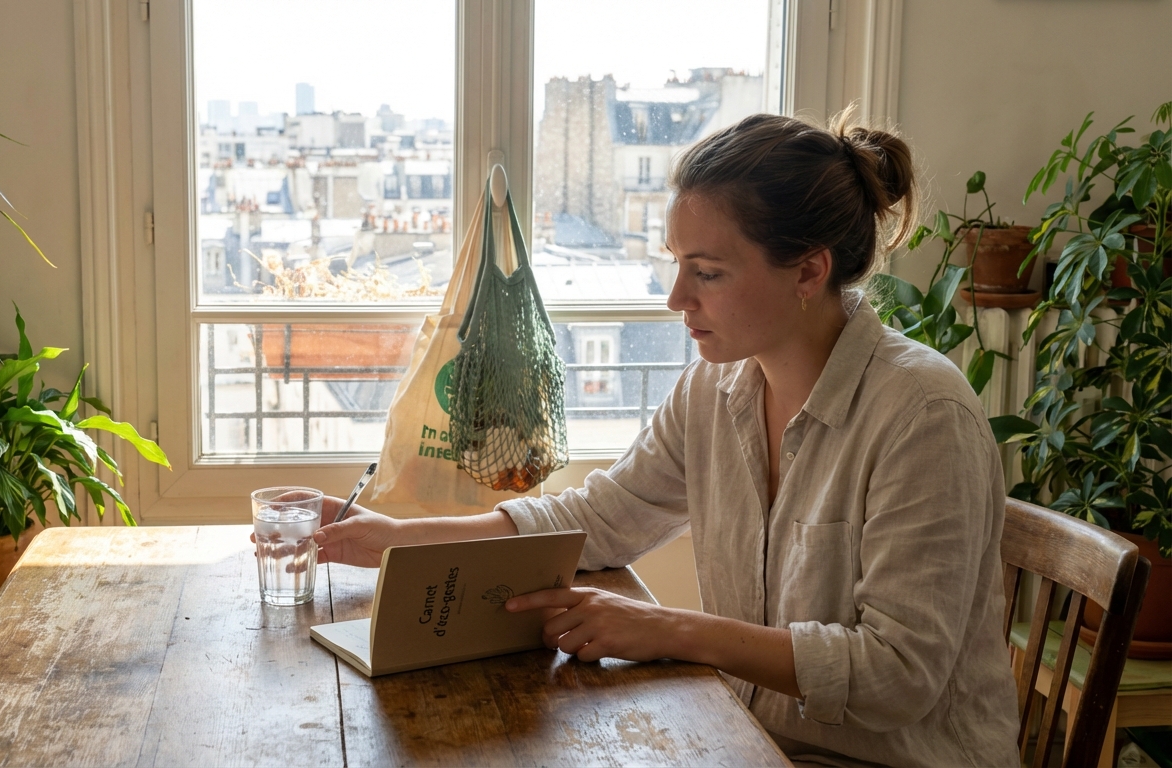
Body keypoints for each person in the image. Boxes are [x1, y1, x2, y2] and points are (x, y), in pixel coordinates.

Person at [302, 113, 1021, 767]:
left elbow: (897, 676)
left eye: (706, 272)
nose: (677, 298)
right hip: (754, 743)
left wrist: (664, 629)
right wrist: (398, 538)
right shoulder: (716, 390)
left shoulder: (922, 415)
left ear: (808, 269)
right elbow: (598, 519)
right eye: (676, 264)